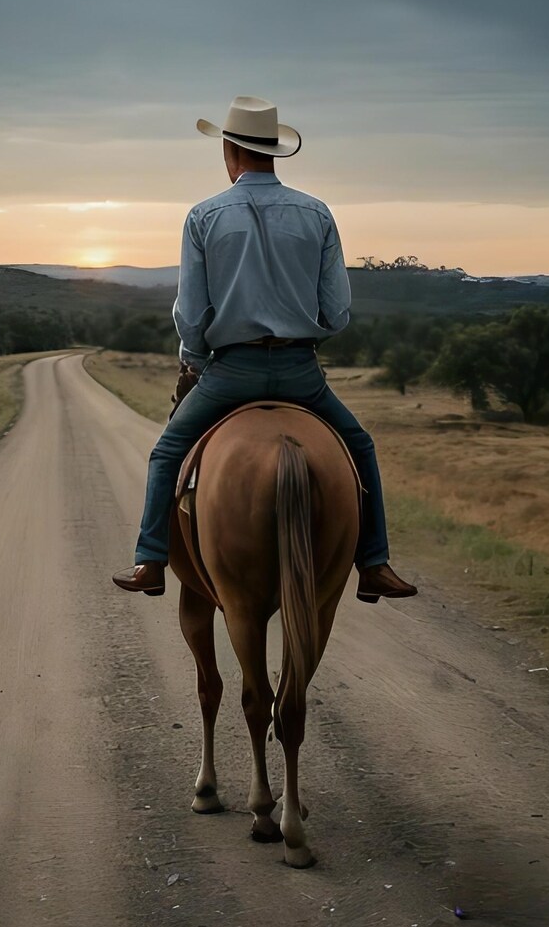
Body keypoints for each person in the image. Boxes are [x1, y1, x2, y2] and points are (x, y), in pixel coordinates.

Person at [112, 95, 417, 601]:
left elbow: (191, 315)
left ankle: (150, 560)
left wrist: (194, 359)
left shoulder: (202, 217)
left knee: (167, 452)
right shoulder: (316, 214)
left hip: (231, 373)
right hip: (302, 373)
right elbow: (337, 313)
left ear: (230, 149)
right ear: (273, 150)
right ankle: (375, 563)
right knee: (359, 446)